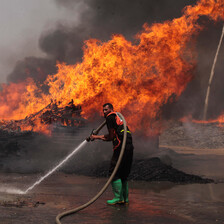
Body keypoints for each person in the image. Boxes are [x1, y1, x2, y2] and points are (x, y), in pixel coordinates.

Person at [90, 103, 134, 205]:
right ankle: (125, 199)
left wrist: (96, 137)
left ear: (111, 109)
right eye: (103, 110)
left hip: (120, 146)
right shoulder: (118, 117)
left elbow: (110, 137)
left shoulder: (110, 118)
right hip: (129, 147)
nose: (104, 112)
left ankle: (118, 198)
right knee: (123, 174)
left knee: (113, 172)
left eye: (106, 110)